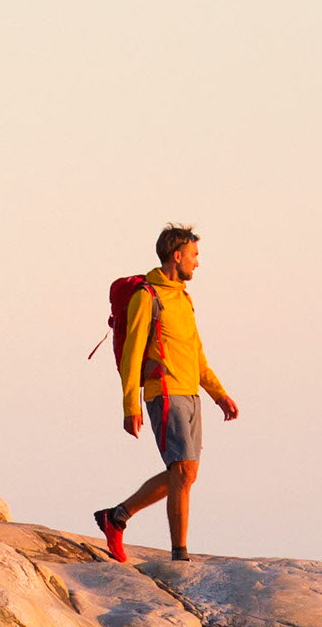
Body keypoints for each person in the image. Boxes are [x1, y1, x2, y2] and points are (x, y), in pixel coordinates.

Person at [93, 225, 242, 562]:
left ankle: (116, 516)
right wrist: (130, 404)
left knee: (186, 473)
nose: (197, 263)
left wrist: (219, 394)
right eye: (194, 255)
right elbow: (131, 353)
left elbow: (196, 353)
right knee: (181, 472)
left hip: (191, 393)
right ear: (177, 256)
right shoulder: (148, 296)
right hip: (165, 392)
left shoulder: (183, 299)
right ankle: (180, 554)